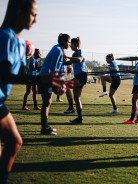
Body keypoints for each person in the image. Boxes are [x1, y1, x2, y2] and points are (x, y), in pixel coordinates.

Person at [0, 0, 67, 183]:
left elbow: (22, 75)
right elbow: (5, 75)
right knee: (13, 143)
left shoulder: (22, 43)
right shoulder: (4, 37)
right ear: (19, 12)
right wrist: (42, 79)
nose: (35, 19)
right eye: (33, 14)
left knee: (14, 143)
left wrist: (51, 81)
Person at [39, 33, 71, 134]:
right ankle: (44, 128)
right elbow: (53, 68)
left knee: (48, 102)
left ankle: (45, 126)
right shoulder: (57, 50)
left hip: (47, 78)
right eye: (68, 42)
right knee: (46, 102)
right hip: (46, 79)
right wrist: (58, 82)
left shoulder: (58, 49)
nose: (69, 44)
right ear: (63, 41)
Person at [63, 37, 88, 124]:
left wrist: (66, 56)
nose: (70, 46)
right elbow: (70, 62)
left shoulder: (79, 51)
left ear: (76, 44)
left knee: (65, 86)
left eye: (71, 44)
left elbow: (79, 59)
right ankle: (79, 119)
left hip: (82, 75)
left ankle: (70, 107)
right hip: (79, 76)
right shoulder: (74, 54)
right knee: (76, 98)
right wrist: (61, 63)